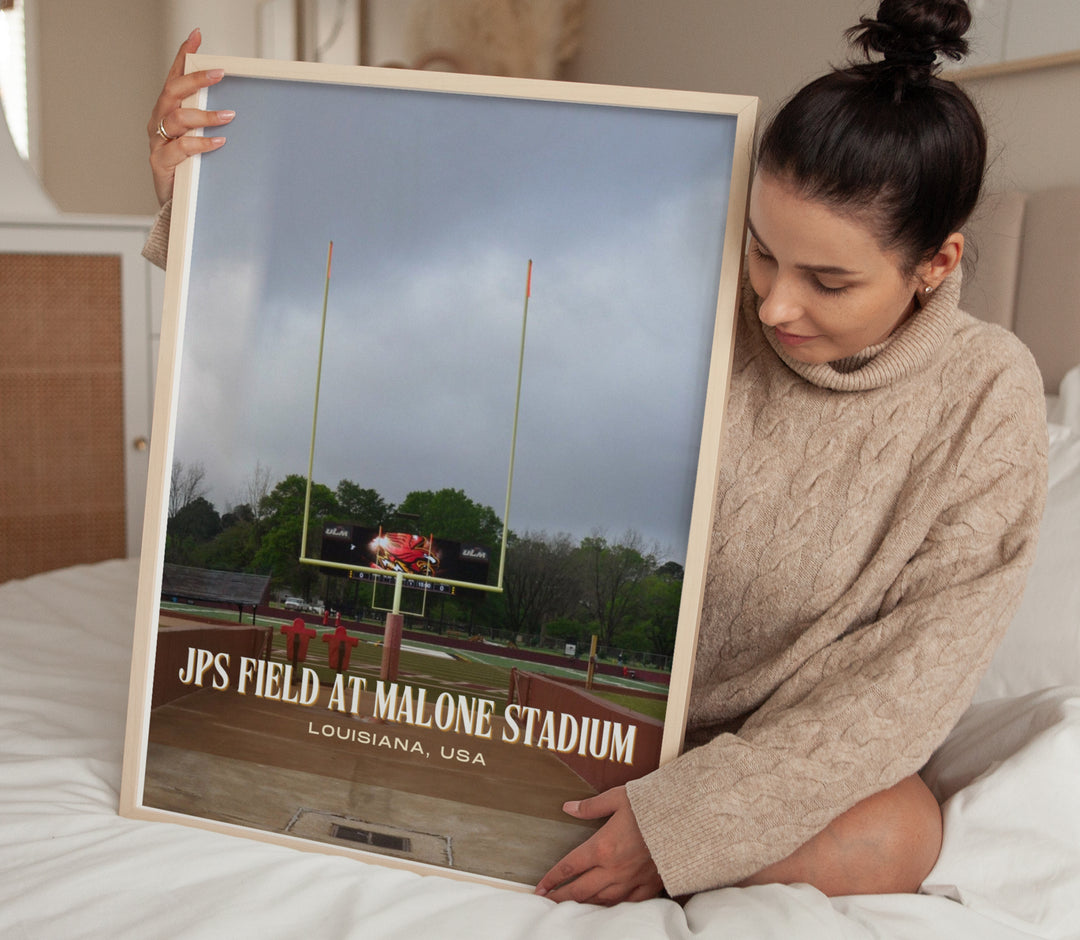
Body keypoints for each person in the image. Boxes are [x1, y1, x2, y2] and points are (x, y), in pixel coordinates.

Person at [144, 0, 1047, 906]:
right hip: (624, 733)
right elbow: (455, 321)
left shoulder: (987, 397)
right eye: (764, 253)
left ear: (936, 263)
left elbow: (907, 689)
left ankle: (639, 850)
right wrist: (202, 206)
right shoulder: (699, 291)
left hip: (776, 761)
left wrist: (688, 825)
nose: (773, 305)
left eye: (829, 280)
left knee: (900, 833)